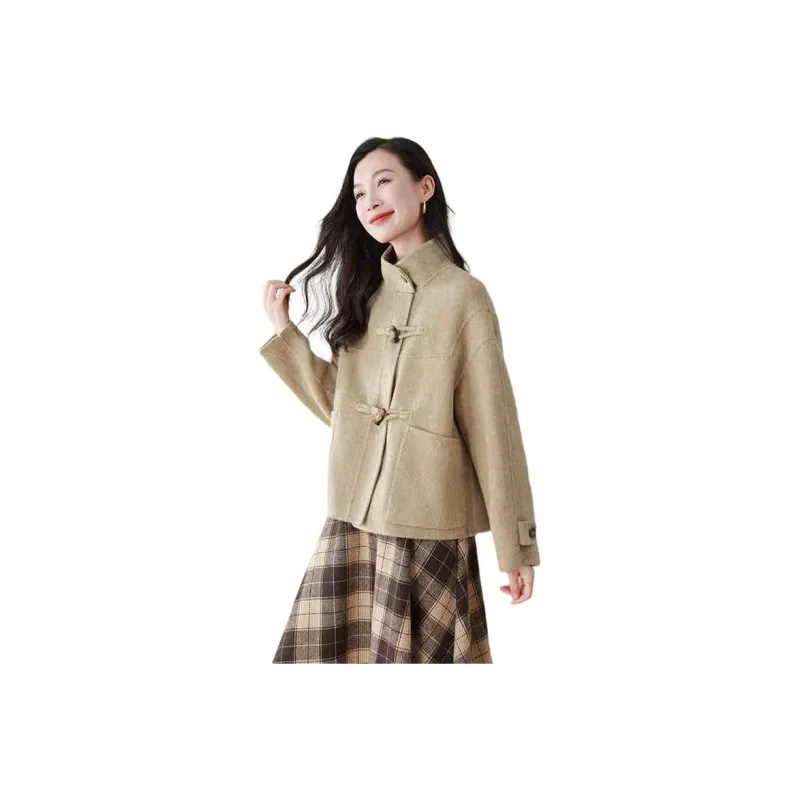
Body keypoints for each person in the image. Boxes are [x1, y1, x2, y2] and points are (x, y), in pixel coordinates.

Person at [260, 137, 541, 663]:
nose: (369, 200)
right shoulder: (363, 294)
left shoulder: (465, 296)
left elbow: (493, 426)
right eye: (358, 192)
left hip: (429, 523)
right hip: (352, 522)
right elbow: (342, 410)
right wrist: (286, 335)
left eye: (383, 181)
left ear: (425, 187)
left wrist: (515, 545)